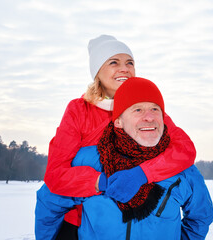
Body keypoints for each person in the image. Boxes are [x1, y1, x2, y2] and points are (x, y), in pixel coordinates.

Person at [35, 35, 196, 240]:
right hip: (83, 223)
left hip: (141, 221)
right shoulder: (79, 109)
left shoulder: (147, 109)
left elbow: (184, 150)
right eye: (114, 62)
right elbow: (56, 174)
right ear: (97, 71)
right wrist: (100, 181)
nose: (125, 68)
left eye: (130, 63)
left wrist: (141, 174)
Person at [77, 77, 213, 239]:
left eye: (155, 109)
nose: (149, 117)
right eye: (138, 110)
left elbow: (200, 217)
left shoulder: (183, 170)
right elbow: (54, 204)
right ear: (118, 122)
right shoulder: (87, 160)